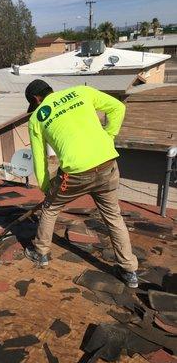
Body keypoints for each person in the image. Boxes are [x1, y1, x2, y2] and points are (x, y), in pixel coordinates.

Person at [24, 79, 138, 288]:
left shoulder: (37, 118)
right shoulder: (81, 92)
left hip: (75, 174)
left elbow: (39, 158)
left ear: (36, 99)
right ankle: (129, 270)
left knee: (50, 209)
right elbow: (118, 107)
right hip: (107, 165)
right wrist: (109, 135)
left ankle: (41, 253)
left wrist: (46, 188)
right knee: (113, 216)